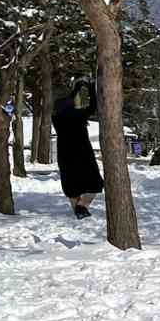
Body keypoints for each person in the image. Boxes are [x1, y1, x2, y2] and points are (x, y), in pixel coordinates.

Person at [52, 80, 103, 219]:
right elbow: (94, 106)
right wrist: (91, 89)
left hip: (65, 155)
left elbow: (66, 101)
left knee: (71, 186)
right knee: (95, 184)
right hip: (82, 153)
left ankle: (78, 212)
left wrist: (76, 89)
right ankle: (83, 206)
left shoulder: (56, 118)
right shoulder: (78, 116)